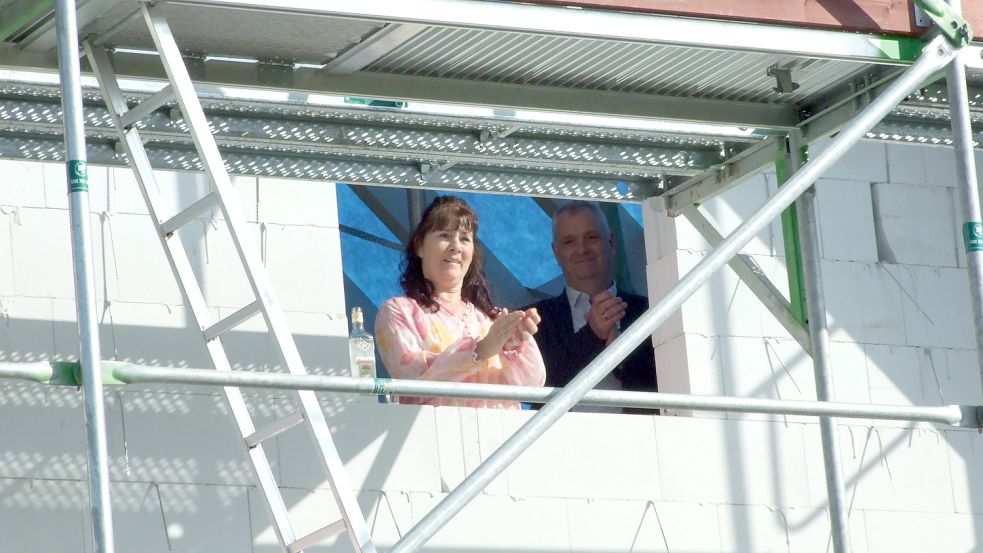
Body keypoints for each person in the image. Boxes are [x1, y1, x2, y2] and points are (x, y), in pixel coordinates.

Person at [375, 195, 546, 408]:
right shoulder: (400, 311)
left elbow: (532, 388)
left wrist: (514, 345)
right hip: (434, 436)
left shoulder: (491, 318)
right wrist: (481, 350)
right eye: (444, 235)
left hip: (500, 437)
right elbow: (412, 381)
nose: (456, 246)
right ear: (419, 246)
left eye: (465, 238)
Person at [528, 201, 657, 413]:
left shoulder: (648, 312)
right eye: (569, 241)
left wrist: (622, 359)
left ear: (612, 242)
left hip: (638, 442)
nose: (582, 249)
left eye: (592, 237)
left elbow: (665, 381)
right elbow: (540, 385)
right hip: (559, 443)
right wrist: (593, 335)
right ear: (556, 252)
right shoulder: (534, 319)